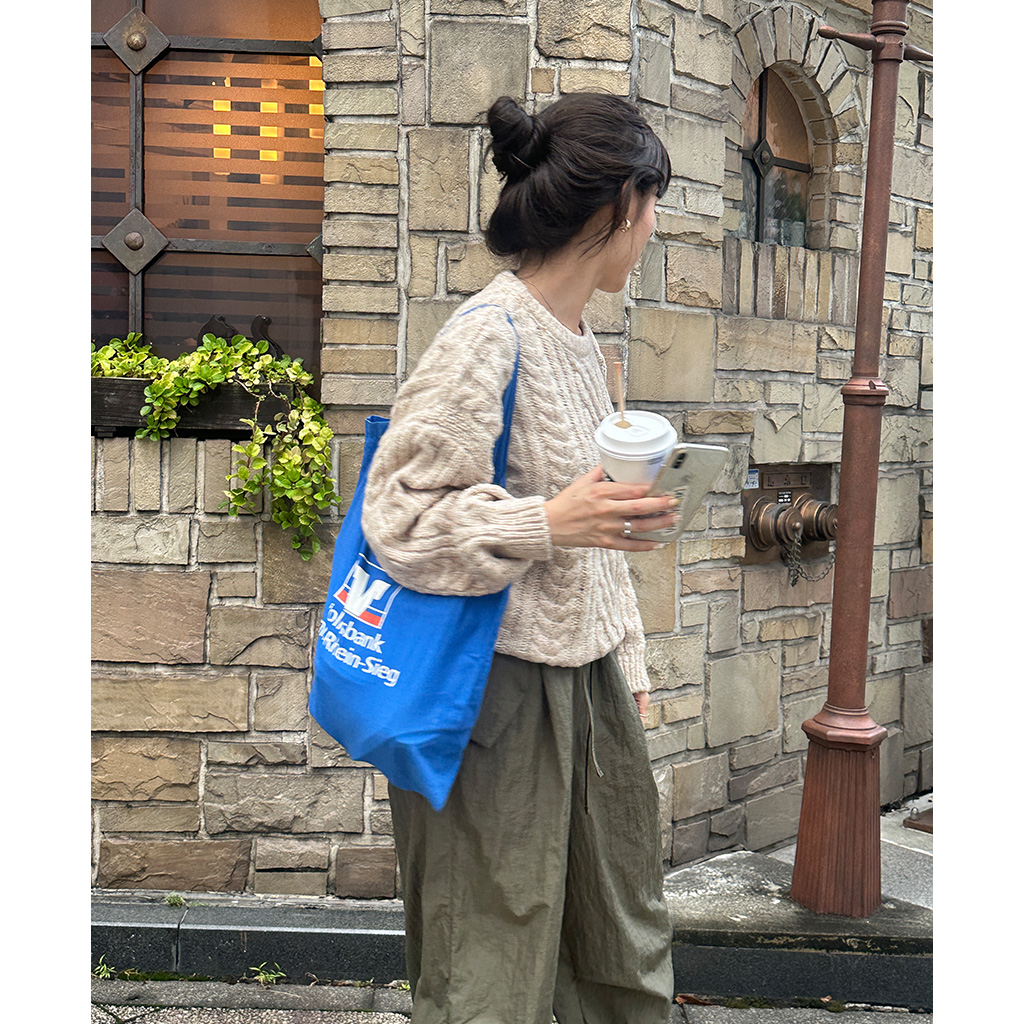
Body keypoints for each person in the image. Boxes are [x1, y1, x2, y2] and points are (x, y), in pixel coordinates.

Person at [362, 92, 678, 1024]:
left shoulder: (579, 341)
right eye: (652, 204)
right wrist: (549, 521)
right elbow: (399, 518)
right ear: (616, 205)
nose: (652, 229)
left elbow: (587, 533)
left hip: (589, 690)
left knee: (616, 942)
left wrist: (627, 658)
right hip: (495, 695)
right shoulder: (486, 335)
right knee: (489, 965)